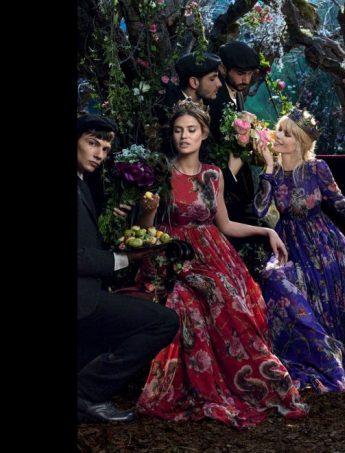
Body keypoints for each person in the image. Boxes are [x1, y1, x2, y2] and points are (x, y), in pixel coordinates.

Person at [129, 100, 308, 428]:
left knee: (231, 298)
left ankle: (250, 381)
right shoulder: (161, 173)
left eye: (191, 130)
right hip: (174, 253)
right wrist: (147, 208)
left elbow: (224, 225)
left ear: (203, 134)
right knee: (190, 300)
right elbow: (147, 230)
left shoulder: (213, 175)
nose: (184, 136)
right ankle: (200, 385)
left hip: (214, 253)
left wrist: (266, 230)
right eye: (178, 130)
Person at [253, 107, 345, 393]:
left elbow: (340, 203)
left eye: (287, 133)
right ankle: (318, 350)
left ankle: (336, 354)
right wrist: (269, 169)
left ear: (300, 141)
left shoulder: (317, 168)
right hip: (290, 244)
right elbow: (260, 210)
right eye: (279, 130)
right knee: (273, 277)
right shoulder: (272, 172)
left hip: (325, 243)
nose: (278, 136)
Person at [77, 114, 180, 422]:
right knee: (164, 322)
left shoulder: (83, 182)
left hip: (91, 292)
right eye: (92, 143)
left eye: (105, 149)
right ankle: (86, 393)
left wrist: (122, 223)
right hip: (83, 300)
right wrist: (125, 259)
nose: (99, 154)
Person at [205, 40, 269, 279]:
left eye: (250, 74)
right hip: (223, 188)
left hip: (239, 184)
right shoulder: (215, 100)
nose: (246, 79)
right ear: (223, 68)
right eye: (240, 73)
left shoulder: (236, 95)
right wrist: (241, 155)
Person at [157, 52, 222, 158]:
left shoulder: (212, 105)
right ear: (194, 82)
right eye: (212, 79)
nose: (219, 84)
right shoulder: (170, 109)